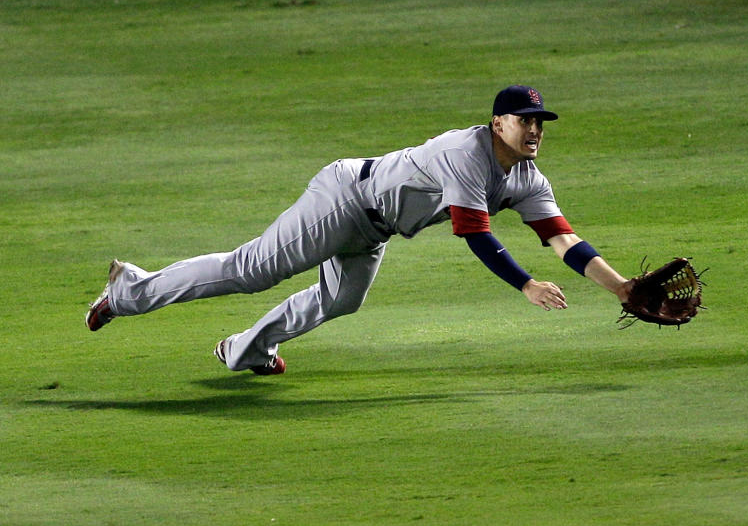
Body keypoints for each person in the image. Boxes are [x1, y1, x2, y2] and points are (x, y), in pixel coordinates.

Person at [86, 85, 634, 375]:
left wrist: (622, 288)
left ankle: (245, 350)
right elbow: (475, 232)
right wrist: (527, 285)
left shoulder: (528, 178)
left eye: (539, 122)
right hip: (344, 200)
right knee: (251, 271)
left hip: (374, 229)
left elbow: (564, 239)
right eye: (524, 120)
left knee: (342, 300)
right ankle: (129, 288)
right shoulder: (465, 153)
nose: (535, 129)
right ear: (497, 123)